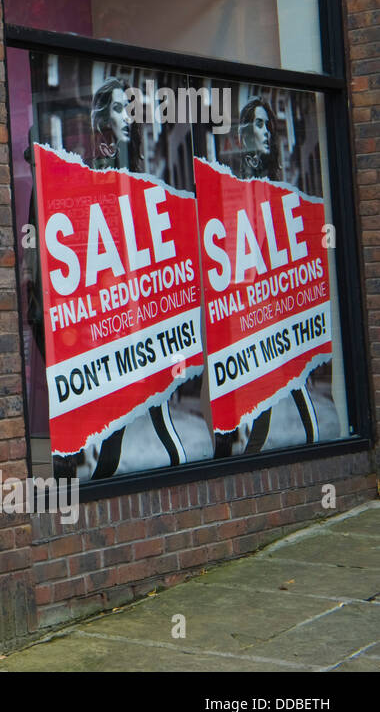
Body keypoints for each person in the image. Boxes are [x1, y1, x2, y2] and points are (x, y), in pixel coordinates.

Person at [81, 77, 187, 479]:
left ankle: (177, 474)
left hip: (145, 312)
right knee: (119, 419)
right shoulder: (94, 177)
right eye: (118, 109)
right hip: (114, 316)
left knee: (156, 411)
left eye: (131, 109)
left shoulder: (140, 176)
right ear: (102, 118)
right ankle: (102, 480)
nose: (128, 118)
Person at [212, 98, 319, 457]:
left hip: (276, 298)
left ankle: (311, 441)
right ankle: (252, 452)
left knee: (289, 375)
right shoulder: (234, 182)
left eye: (268, 125)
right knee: (273, 380)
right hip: (250, 300)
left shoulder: (276, 185)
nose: (267, 133)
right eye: (259, 125)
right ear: (244, 132)